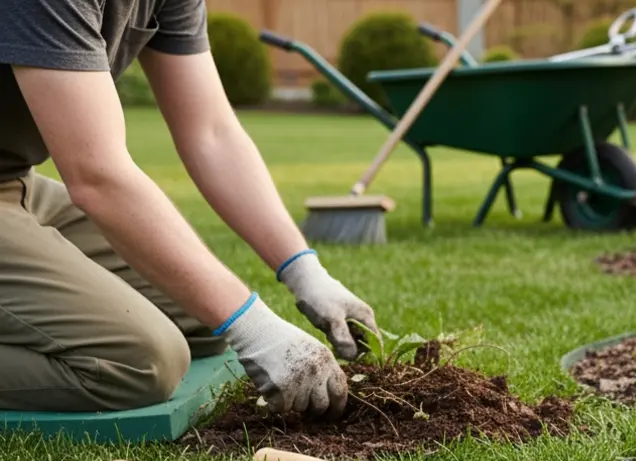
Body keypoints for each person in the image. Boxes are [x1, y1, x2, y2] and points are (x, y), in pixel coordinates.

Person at [0, 0, 379, 417]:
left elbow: (211, 133)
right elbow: (97, 175)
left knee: (200, 320)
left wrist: (305, 273)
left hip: (18, 182)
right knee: (140, 362)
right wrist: (256, 328)